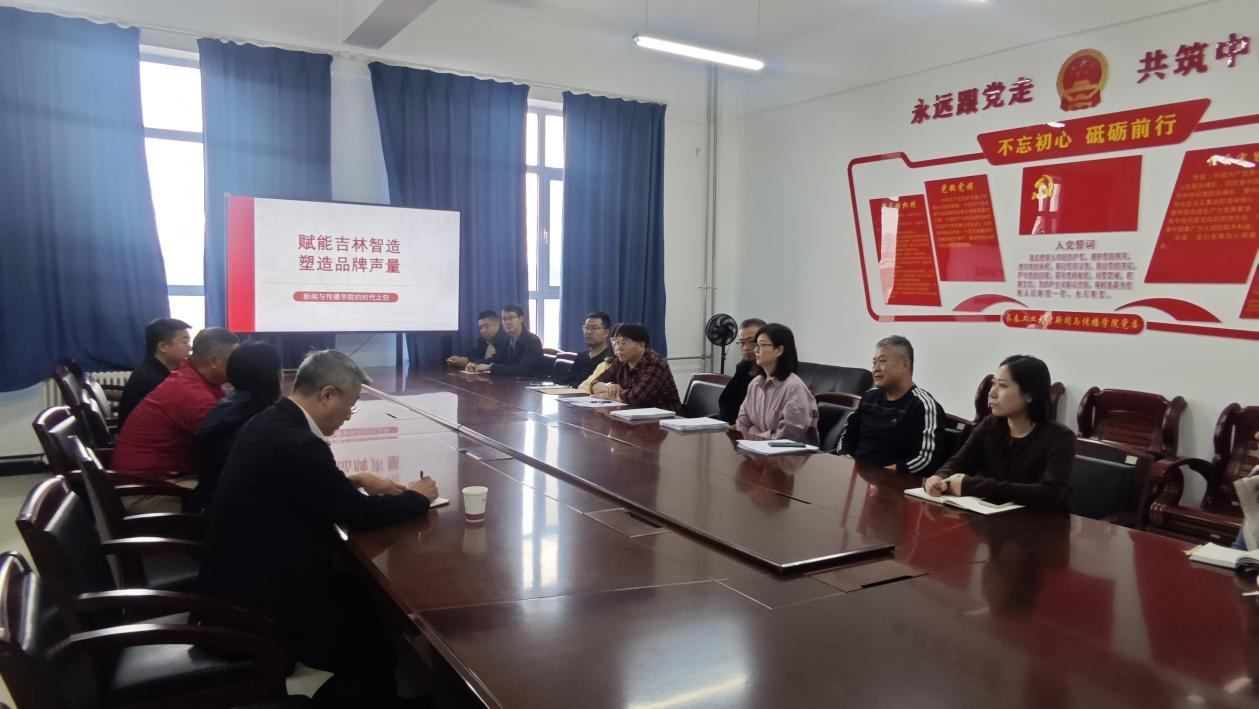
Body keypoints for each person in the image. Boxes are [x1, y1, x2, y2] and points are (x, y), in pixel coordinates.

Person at [199, 350, 438, 709]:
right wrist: (418, 497)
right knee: (370, 644)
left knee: (362, 602)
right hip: (258, 603)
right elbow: (359, 514)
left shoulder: (271, 420)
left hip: (235, 581)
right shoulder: (299, 443)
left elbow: (300, 486)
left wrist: (355, 479)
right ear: (327, 394)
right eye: (350, 406)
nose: (348, 416)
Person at [923, 355, 1075, 511]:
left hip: (1042, 522)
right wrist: (939, 478)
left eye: (1002, 386)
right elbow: (958, 464)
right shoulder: (990, 425)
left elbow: (1051, 493)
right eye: (993, 384)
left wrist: (974, 486)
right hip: (993, 519)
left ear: (1029, 395)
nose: (992, 393)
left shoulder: (1060, 437)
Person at [112, 328, 239, 510]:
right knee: (240, 496)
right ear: (213, 361)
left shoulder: (190, 378)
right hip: (146, 492)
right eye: (234, 360)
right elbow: (230, 446)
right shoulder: (192, 395)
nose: (239, 365)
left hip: (158, 479)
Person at [186, 341, 283, 515]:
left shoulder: (227, 406)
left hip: (208, 503)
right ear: (271, 377)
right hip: (232, 515)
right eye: (279, 370)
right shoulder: (260, 421)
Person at [837, 335, 946, 476]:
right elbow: (847, 434)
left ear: (904, 365)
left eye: (882, 361)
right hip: (859, 476)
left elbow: (926, 459)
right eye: (874, 362)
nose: (875, 368)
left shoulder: (923, 406)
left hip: (894, 482)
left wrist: (885, 473)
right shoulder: (869, 396)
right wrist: (844, 455)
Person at [736, 323, 819, 444]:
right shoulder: (755, 384)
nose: (756, 350)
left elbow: (789, 437)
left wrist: (758, 436)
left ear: (779, 350)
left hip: (790, 454)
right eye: (756, 345)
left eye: (762, 345)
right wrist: (755, 438)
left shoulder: (794, 388)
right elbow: (742, 422)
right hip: (755, 450)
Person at [118, 317, 192, 428]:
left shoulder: (153, 369)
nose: (190, 348)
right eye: (185, 342)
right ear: (163, 347)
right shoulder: (152, 380)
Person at [592, 323, 681, 412]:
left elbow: (635, 399)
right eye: (616, 342)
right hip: (633, 415)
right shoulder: (620, 362)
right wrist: (609, 387)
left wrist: (607, 395)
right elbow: (594, 384)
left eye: (624, 343)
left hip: (665, 418)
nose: (618, 347)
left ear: (641, 346)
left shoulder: (656, 364)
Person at [467, 304, 548, 377]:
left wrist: (490, 367)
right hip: (514, 383)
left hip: (532, 384)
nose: (507, 322)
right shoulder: (508, 339)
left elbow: (521, 370)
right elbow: (496, 359)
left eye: (511, 318)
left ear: (521, 319)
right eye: (504, 319)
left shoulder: (532, 341)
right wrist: (475, 365)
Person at [717, 318, 766, 423]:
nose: (746, 348)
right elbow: (726, 401)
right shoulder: (743, 367)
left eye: (752, 342)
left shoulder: (771, 373)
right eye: (742, 343)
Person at [561, 311, 611, 387]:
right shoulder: (581, 356)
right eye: (586, 328)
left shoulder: (609, 359)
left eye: (594, 328)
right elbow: (568, 380)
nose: (588, 332)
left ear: (606, 333)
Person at [578, 324, 619, 393]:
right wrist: (606, 387)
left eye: (624, 342)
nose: (618, 346)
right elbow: (586, 386)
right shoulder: (607, 365)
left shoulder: (636, 369)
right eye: (614, 340)